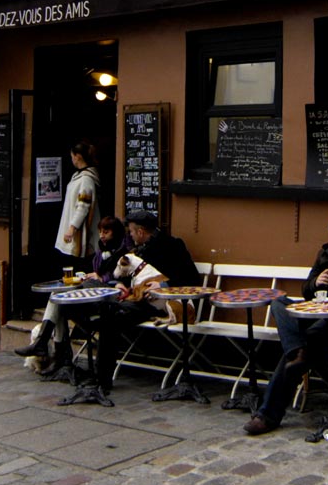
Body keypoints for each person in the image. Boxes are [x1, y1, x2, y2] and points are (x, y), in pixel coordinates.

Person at [244, 210, 328, 438]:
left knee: (296, 354)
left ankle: (267, 414)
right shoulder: (325, 253)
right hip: (315, 316)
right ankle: (296, 349)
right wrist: (316, 281)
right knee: (279, 302)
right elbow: (306, 291)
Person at [75, 210, 200, 398]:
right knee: (99, 305)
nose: (130, 236)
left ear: (141, 231)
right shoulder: (136, 250)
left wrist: (164, 284)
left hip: (156, 305)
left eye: (132, 232)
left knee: (109, 319)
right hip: (133, 299)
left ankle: (101, 380)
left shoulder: (172, 246)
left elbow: (191, 278)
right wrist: (119, 284)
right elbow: (127, 273)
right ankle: (96, 374)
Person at [17, 215, 133, 366]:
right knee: (57, 297)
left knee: (60, 301)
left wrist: (101, 278)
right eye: (100, 232)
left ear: (115, 233)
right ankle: (48, 347)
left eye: (106, 232)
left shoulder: (124, 255)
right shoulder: (100, 252)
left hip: (106, 303)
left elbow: (121, 280)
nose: (102, 235)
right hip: (91, 295)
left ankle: (49, 349)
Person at [56, 141, 101, 266]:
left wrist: (72, 228)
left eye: (72, 157)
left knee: (76, 266)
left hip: (80, 233)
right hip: (73, 228)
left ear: (78, 156)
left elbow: (83, 206)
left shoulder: (86, 179)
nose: (72, 160)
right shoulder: (78, 176)